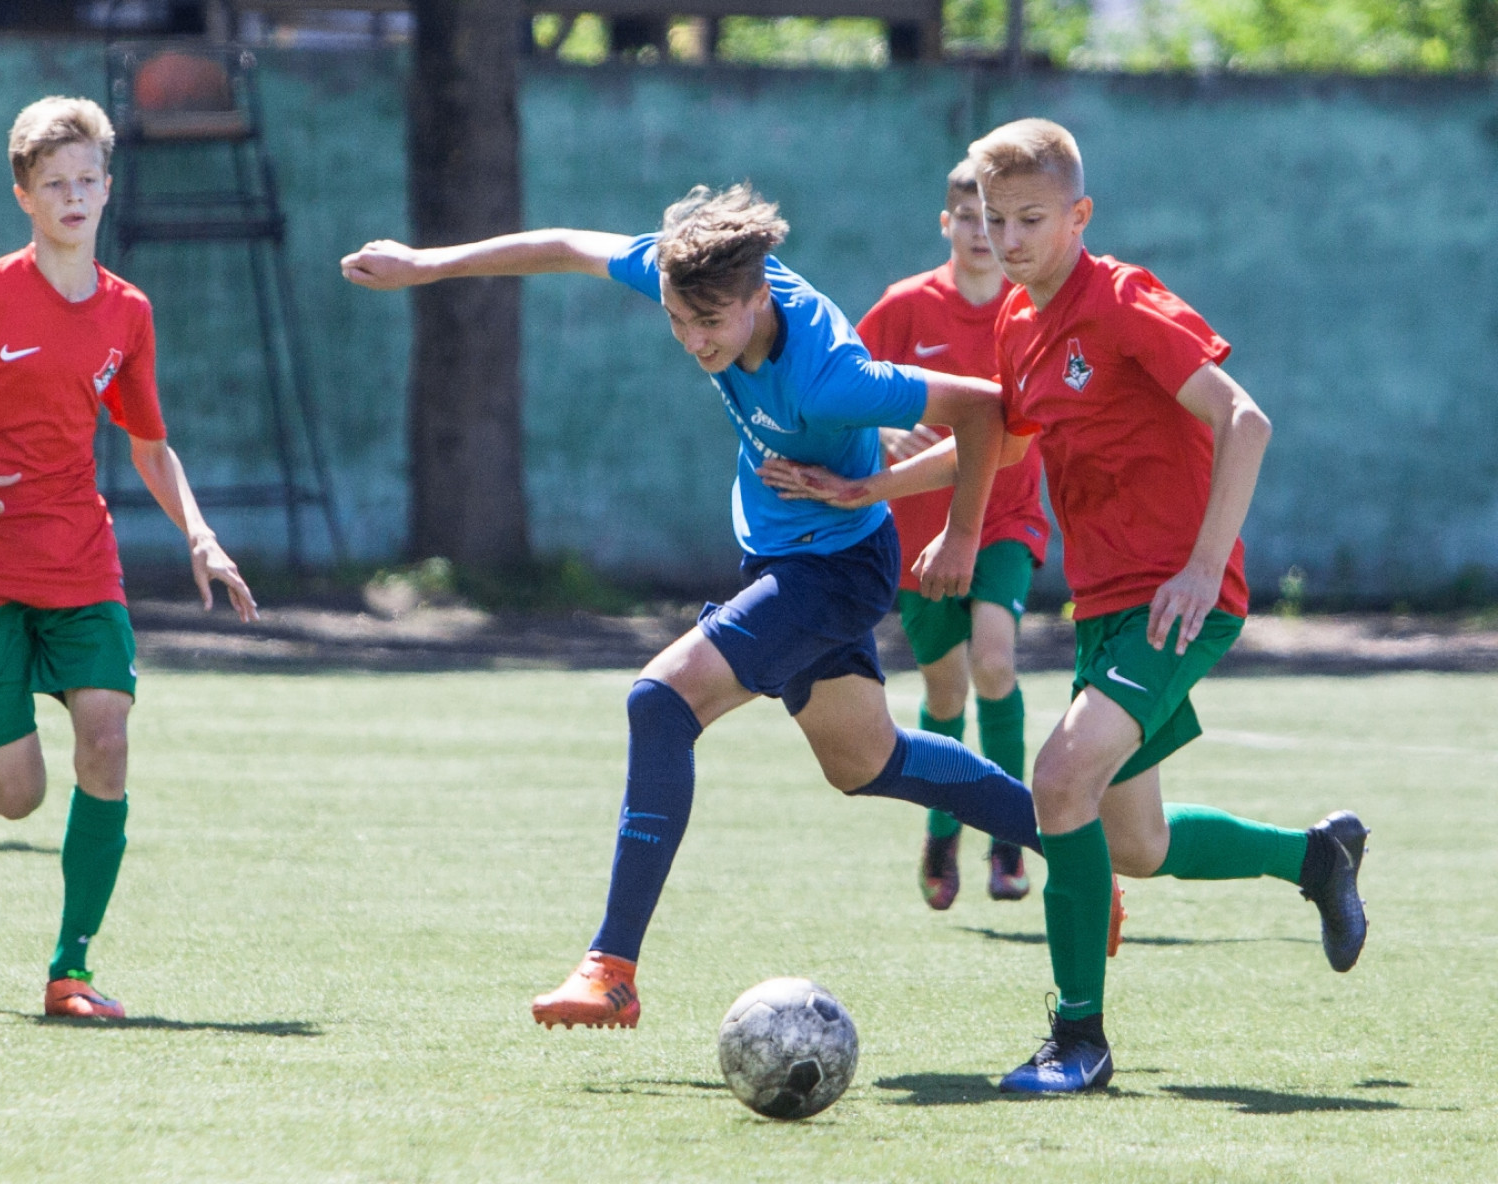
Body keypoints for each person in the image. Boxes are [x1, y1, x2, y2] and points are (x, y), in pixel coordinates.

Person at [342, 183, 1053, 1032]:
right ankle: (1074, 849)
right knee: (866, 762)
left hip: (835, 566)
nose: (693, 340)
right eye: (679, 321)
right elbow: (569, 242)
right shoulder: (695, 274)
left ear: (759, 297)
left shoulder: (830, 379)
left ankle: (611, 969)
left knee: (661, 700)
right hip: (786, 556)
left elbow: (988, 413)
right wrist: (426, 266)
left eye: (710, 324)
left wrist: (958, 534)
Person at [760, 119, 1367, 1094]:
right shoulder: (1015, 320)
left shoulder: (1123, 299)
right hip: (1106, 606)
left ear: (1079, 215)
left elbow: (1243, 419)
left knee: (1058, 777)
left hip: (1177, 594)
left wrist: (1205, 566)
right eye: (994, 220)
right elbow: (998, 446)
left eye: (1032, 219)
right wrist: (872, 492)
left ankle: (1078, 1038)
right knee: (1137, 841)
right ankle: (1316, 856)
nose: (1008, 239)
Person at [0, 96, 259, 1020]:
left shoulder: (127, 313)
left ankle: (69, 969)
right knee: (16, 798)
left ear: (108, 188)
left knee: (107, 745)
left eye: (88, 180)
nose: (74, 197)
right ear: (24, 197)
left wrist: (198, 531)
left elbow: (151, 444)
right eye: (55, 185)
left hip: (81, 559)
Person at [857, 159, 1050, 909]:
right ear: (947, 225)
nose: (982, 233)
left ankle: (1010, 838)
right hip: (916, 532)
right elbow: (844, 384)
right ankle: (944, 833)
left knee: (995, 665)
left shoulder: (1029, 309)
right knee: (946, 687)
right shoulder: (907, 307)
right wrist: (880, 427)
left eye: (995, 218)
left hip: (1004, 518)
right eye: (968, 217)